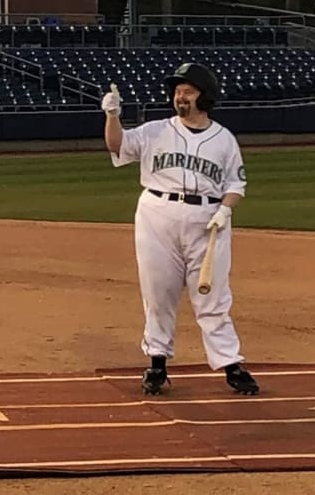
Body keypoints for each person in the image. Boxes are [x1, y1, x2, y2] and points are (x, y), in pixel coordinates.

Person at [101, 62, 260, 396]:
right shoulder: (155, 130)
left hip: (208, 220)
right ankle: (157, 363)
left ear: (205, 96)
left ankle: (231, 364)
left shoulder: (224, 140)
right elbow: (118, 146)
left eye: (188, 91)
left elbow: (236, 183)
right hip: (157, 214)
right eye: (177, 92)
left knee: (213, 296)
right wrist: (112, 116)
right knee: (158, 292)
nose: (180, 97)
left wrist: (225, 211)